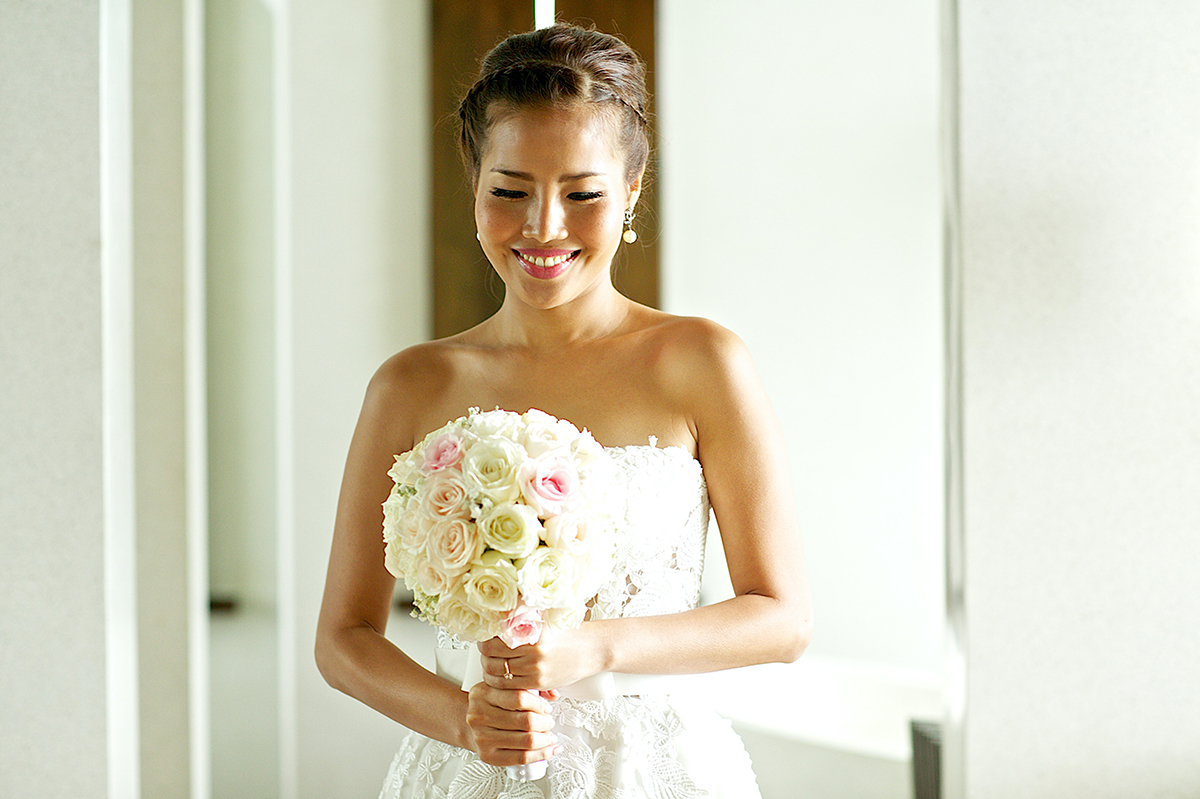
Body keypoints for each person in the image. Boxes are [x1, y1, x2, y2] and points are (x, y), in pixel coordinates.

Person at [315, 23, 812, 799]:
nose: (543, 227)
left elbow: (781, 619)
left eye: (583, 194)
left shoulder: (703, 362)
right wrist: (463, 719)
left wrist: (597, 646)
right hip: (473, 771)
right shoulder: (411, 384)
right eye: (509, 191)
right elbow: (343, 638)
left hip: (656, 774)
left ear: (631, 194)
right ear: (475, 185)